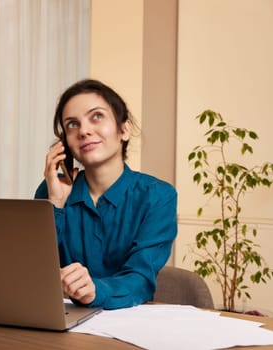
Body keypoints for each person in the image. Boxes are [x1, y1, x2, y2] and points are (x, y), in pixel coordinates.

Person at [35, 79, 177, 310]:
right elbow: (33, 272)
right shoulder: (52, 190)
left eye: (97, 116)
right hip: (60, 323)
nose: (84, 131)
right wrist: (55, 206)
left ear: (124, 129)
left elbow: (141, 279)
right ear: (65, 144)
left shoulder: (158, 196)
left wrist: (95, 289)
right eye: (72, 124)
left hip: (127, 324)